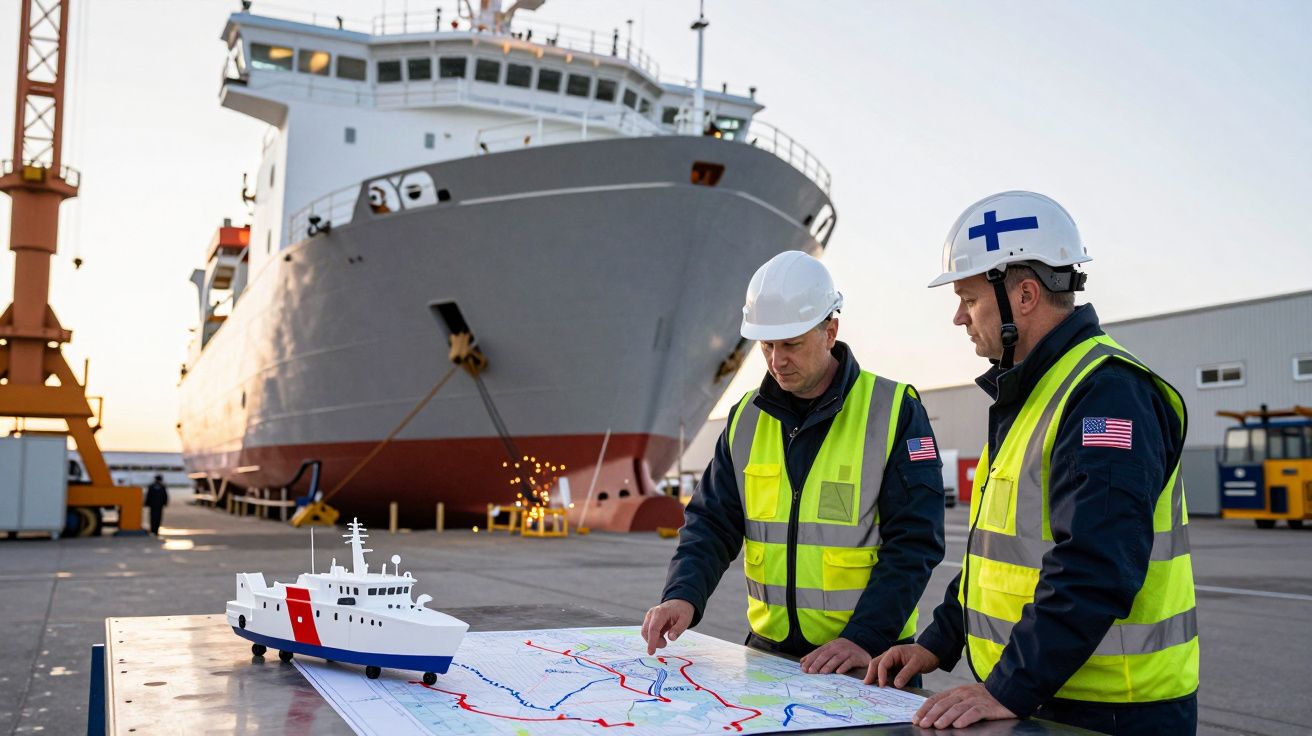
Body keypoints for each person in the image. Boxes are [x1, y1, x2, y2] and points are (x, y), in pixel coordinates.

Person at [867, 191, 1197, 735]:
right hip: (1049, 696)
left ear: (1024, 295)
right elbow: (1000, 558)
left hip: (1112, 711)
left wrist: (1008, 687)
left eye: (969, 298)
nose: (958, 317)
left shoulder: (1106, 393)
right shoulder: (1033, 392)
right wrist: (937, 643)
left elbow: (1096, 563)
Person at [643, 250, 946, 676]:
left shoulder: (894, 410)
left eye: (791, 344)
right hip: (769, 655)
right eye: (766, 345)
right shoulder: (746, 418)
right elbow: (712, 522)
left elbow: (915, 541)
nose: (776, 361)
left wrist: (865, 636)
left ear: (830, 331)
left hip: (868, 660)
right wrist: (683, 594)